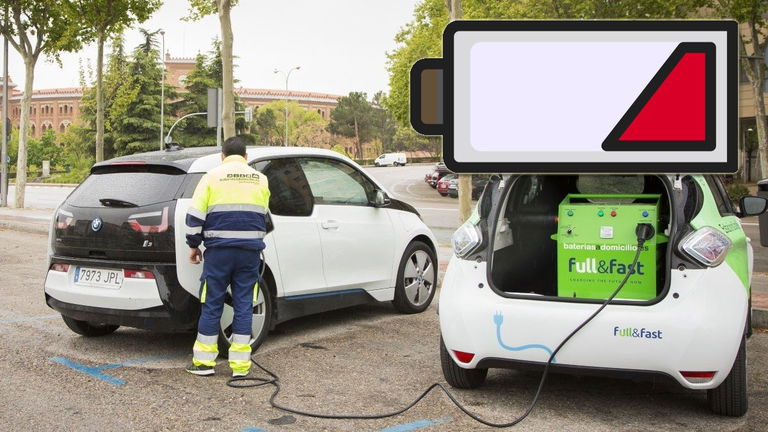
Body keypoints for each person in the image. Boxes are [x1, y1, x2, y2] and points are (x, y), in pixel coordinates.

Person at [184, 136, 271, 377]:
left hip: (219, 253)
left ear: (222, 157)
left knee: (212, 303)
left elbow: (194, 217)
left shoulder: (212, 177)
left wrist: (194, 245)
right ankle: (241, 367)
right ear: (246, 157)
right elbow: (263, 214)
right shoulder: (261, 179)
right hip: (250, 254)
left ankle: (203, 364)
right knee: (244, 304)